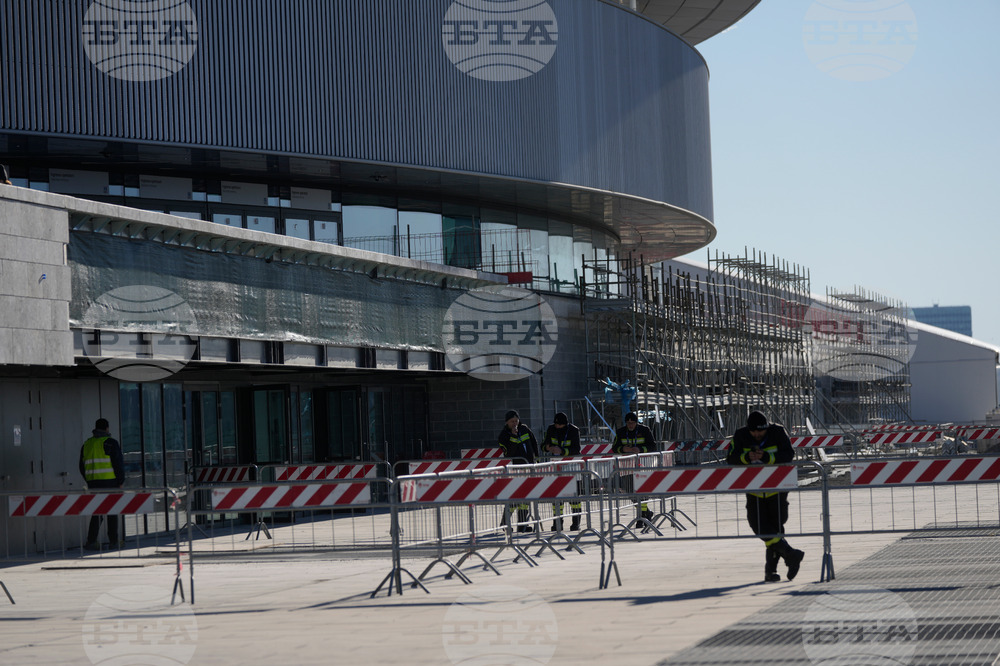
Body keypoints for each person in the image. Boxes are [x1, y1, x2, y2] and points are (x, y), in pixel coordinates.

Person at [726, 410, 805, 582]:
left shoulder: (778, 432)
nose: (757, 435)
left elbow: (789, 454)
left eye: (760, 431)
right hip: (753, 490)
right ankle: (790, 554)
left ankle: (771, 572)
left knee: (775, 529)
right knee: (759, 527)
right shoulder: (741, 435)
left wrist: (768, 457)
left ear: (766, 428)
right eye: (753, 432)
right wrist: (746, 457)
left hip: (777, 489)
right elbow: (730, 458)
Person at [79, 418, 125, 551]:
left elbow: (81, 466)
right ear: (107, 429)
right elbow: (118, 464)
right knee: (112, 511)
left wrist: (89, 480)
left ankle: (91, 541)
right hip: (110, 482)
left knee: (97, 512)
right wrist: (120, 481)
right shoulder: (110, 443)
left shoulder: (87, 444)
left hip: (93, 483)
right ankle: (114, 541)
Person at [497, 410, 538, 532]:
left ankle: (522, 525)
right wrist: (514, 437)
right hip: (516, 469)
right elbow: (509, 453)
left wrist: (537, 457)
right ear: (507, 423)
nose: (515, 424)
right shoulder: (503, 435)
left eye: (516, 421)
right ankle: (505, 524)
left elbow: (533, 442)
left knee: (525, 498)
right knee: (514, 497)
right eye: (512, 422)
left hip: (529, 467)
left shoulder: (524, 428)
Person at [613, 412, 655, 527]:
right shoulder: (621, 432)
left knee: (642, 492)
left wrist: (640, 449)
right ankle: (646, 513)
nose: (630, 425)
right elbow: (614, 448)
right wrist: (623, 449)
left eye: (632, 423)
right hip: (627, 467)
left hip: (643, 466)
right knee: (630, 491)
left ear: (636, 422)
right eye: (628, 423)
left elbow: (653, 446)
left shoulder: (645, 430)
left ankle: (641, 517)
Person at [543, 412, 581, 531]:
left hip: (571, 466)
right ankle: (557, 523)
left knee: (573, 497)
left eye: (560, 425)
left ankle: (576, 522)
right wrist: (547, 448)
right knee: (556, 497)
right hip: (556, 467)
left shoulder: (573, 430)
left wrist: (562, 451)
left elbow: (576, 449)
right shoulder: (551, 429)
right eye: (556, 424)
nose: (557, 427)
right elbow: (543, 445)